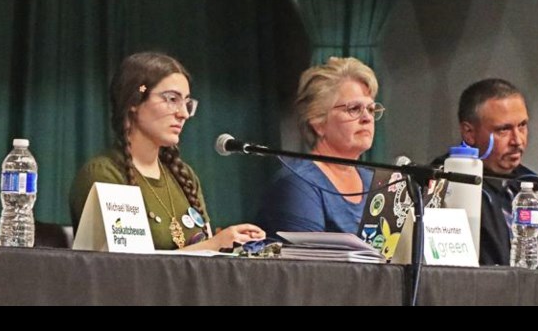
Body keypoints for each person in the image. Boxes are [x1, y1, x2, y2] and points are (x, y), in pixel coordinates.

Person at [69, 52, 264, 251]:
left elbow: (205, 255)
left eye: (187, 103)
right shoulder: (104, 173)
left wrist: (228, 243)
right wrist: (214, 245)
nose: (184, 114)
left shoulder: (183, 175)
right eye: (171, 99)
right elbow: (129, 267)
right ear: (135, 101)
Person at [440, 78, 538, 265]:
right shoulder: (444, 182)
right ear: (469, 133)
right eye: (503, 130)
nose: (518, 140)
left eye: (522, 126)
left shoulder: (534, 186)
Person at [255, 57, 383, 237]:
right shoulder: (298, 183)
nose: (367, 118)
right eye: (354, 109)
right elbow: (309, 264)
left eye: (371, 109)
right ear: (318, 122)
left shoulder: (376, 184)